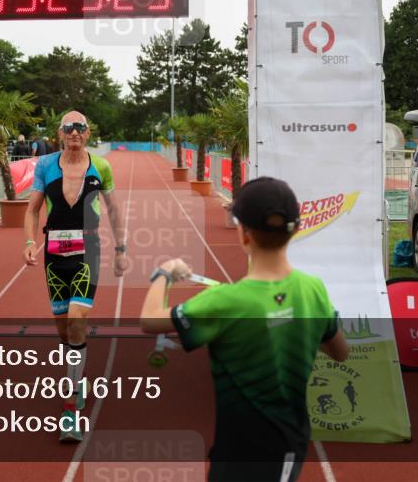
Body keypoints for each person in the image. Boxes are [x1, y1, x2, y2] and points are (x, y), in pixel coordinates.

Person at [140, 177, 349, 482]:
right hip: (291, 443)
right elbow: (340, 352)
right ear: (295, 229)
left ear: (244, 234)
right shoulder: (313, 289)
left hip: (238, 454)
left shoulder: (225, 301)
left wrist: (165, 274)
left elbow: (149, 319)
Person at [23, 111, 129, 442]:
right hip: (54, 254)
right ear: (59, 133)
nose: (74, 132)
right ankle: (77, 372)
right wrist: (30, 241)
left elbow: (113, 209)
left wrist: (121, 249)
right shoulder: (45, 166)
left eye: (80, 127)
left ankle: (71, 410)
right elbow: (31, 210)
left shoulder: (103, 167)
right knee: (63, 327)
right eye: (69, 127)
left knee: (77, 320)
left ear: (88, 132)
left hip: (89, 249)